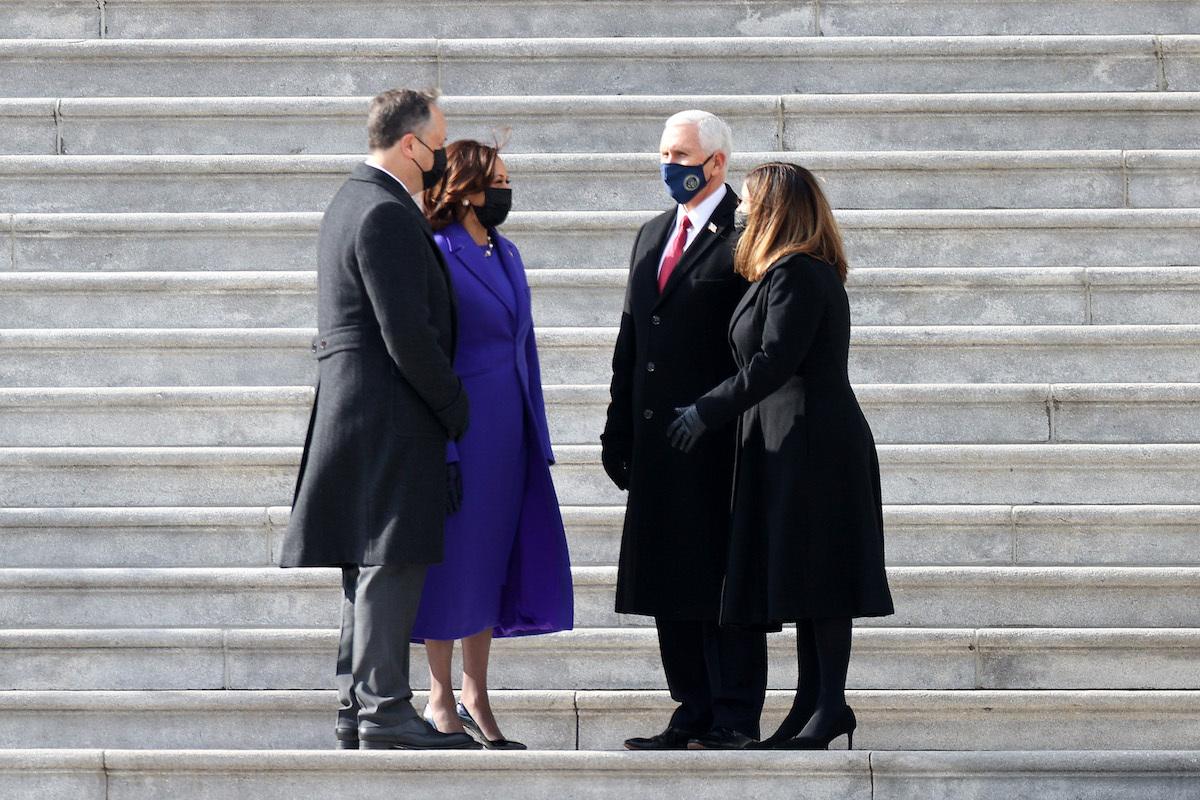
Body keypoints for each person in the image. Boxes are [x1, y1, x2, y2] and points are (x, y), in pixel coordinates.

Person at [666, 162, 895, 750]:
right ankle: (809, 705)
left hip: (813, 442)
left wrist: (703, 410)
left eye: (749, 202)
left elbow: (772, 361)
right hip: (786, 440)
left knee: (823, 576)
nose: (739, 212)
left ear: (775, 209)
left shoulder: (799, 272)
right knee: (803, 576)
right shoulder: (780, 274)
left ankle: (830, 705)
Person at [279, 88, 480, 751]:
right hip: (391, 414)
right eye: (439, 142)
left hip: (362, 410)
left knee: (369, 564)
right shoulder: (385, 212)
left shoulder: (353, 201)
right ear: (410, 144)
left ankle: (358, 704)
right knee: (391, 560)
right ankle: (385, 710)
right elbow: (408, 334)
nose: (444, 155)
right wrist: (455, 407)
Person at [601, 110, 767, 751]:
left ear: (718, 162)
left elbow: (758, 340)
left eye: (683, 154)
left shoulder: (749, 232)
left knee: (721, 577)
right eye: (664, 154)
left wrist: (716, 411)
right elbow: (632, 339)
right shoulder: (650, 235)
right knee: (670, 575)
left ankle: (734, 713)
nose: (671, 166)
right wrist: (618, 427)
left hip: (718, 438)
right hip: (658, 442)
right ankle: (691, 708)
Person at [414, 138, 574, 749]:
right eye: (496, 181)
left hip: (510, 434)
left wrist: (537, 431)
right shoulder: (436, 252)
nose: (505, 191)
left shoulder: (505, 251)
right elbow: (430, 353)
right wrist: (444, 444)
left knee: (490, 565)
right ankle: (437, 697)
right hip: (463, 429)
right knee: (452, 565)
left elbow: (523, 347)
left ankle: (475, 692)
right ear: (465, 187)